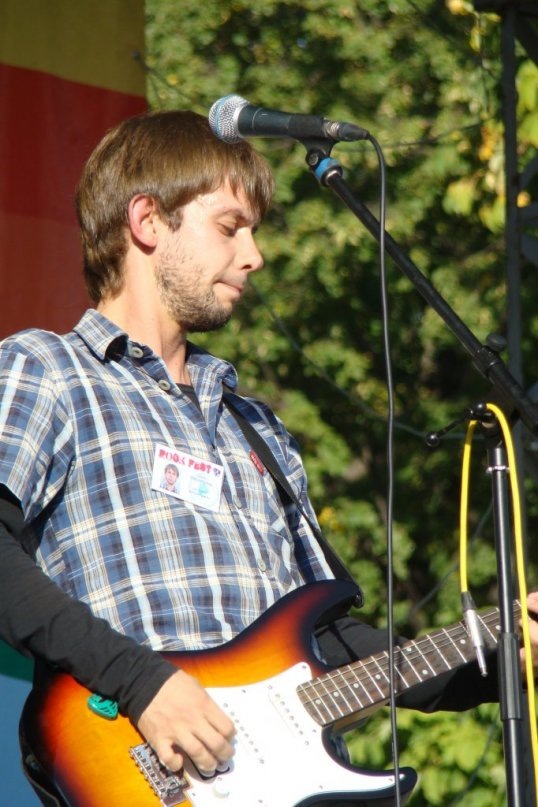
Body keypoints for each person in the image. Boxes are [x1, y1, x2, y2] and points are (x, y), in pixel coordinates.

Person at [0, 109, 536, 806]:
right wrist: (142, 681)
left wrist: (498, 655)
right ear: (148, 221)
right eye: (231, 227)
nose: (254, 255)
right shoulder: (45, 370)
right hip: (133, 765)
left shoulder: (257, 428)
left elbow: (330, 643)